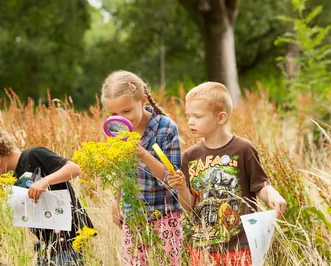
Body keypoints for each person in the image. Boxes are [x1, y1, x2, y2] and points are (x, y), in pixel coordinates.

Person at [168, 82, 287, 266]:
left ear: (220, 117)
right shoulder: (189, 156)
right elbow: (189, 207)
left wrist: (273, 194)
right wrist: (182, 187)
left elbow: (260, 185)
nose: (190, 121)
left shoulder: (243, 149)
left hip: (241, 245)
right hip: (203, 247)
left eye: (197, 116)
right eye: (188, 115)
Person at [0, 125, 94, 266]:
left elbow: (74, 169)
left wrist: (45, 181)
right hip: (49, 248)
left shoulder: (34, 155)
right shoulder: (14, 180)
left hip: (71, 243)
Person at [101, 70, 183, 265]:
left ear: (143, 100)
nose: (122, 119)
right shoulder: (114, 130)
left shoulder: (166, 128)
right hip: (133, 217)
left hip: (165, 214)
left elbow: (171, 179)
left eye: (127, 111)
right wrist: (116, 201)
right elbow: (121, 169)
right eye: (113, 114)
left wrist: (144, 155)